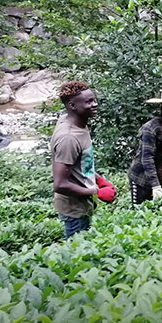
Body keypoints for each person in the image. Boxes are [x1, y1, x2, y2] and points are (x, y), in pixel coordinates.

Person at [50, 80, 116, 239]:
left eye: (94, 99)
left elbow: (79, 163)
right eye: (89, 102)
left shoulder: (77, 122)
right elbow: (60, 184)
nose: (95, 104)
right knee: (75, 255)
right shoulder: (69, 138)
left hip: (83, 205)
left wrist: (99, 180)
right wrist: (97, 192)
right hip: (74, 210)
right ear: (72, 106)